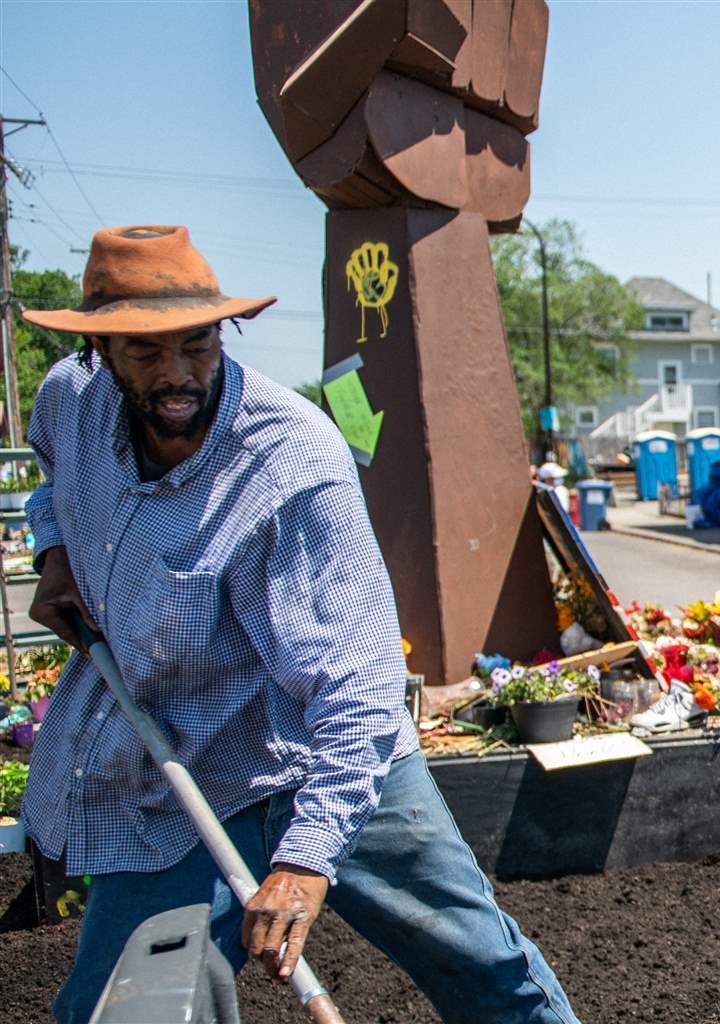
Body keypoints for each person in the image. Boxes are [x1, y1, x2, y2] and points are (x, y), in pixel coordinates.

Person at [20, 225, 577, 1024]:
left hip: (334, 748)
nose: (178, 375)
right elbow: (52, 479)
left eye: (198, 344)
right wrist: (53, 553)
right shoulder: (68, 405)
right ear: (101, 351)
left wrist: (307, 858)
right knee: (120, 1006)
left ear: (224, 332)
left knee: (482, 969)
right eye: (146, 353)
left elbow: (361, 685)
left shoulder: (290, 461)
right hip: (193, 762)